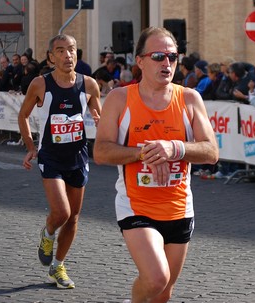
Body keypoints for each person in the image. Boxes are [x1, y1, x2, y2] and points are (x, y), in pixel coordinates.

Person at [93, 26, 218, 302]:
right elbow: (100, 152)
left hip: (178, 208)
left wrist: (174, 148)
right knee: (156, 278)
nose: (167, 63)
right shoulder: (120, 98)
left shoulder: (189, 98)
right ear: (140, 61)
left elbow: (211, 152)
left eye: (173, 57)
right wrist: (144, 153)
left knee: (163, 294)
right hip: (137, 206)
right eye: (159, 56)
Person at [18, 34, 101, 289]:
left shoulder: (89, 84)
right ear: (51, 57)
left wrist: (101, 121)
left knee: (74, 217)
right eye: (61, 51)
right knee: (62, 212)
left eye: (72, 50)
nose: (68, 55)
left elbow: (100, 115)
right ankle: (48, 233)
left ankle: (58, 266)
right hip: (51, 157)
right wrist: (31, 147)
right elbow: (23, 116)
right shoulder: (40, 84)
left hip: (78, 157)